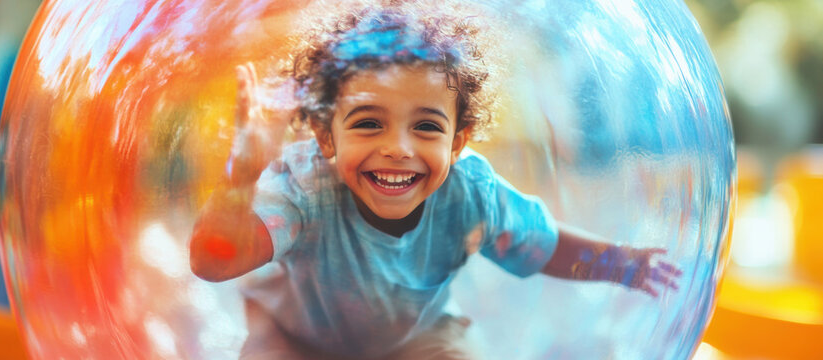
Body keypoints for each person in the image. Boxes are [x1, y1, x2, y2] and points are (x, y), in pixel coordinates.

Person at [190, 2, 681, 359]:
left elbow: (545, 244)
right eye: (367, 123)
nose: (399, 148)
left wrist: (619, 263)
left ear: (458, 141)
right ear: (324, 134)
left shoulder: (470, 193)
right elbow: (213, 261)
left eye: (426, 126)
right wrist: (241, 180)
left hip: (417, 339)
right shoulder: (303, 186)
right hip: (296, 338)